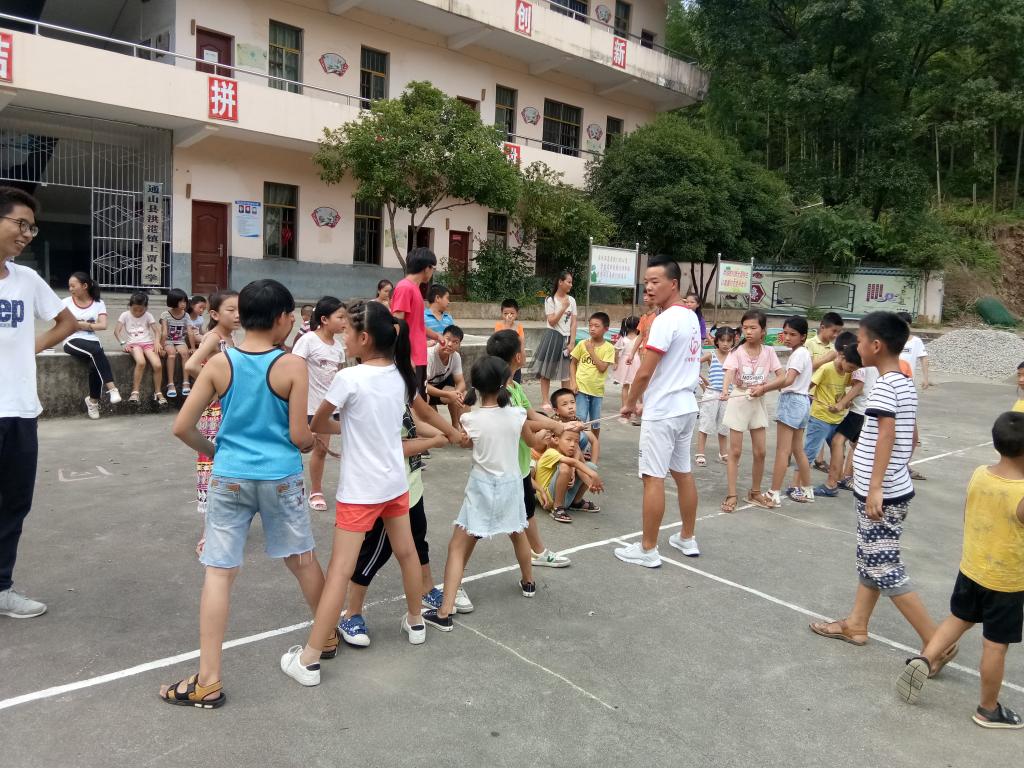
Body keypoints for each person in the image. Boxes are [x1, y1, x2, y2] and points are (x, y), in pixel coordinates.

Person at [161, 279, 324, 707]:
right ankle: (325, 637)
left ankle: (208, 680)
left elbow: (182, 427)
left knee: (219, 572)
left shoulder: (219, 363)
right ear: (280, 319)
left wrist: (218, 452)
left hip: (230, 476)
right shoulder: (292, 365)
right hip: (281, 477)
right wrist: (312, 443)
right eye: (291, 316)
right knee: (302, 558)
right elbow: (298, 435)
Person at [280, 301, 430, 687]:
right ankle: (416, 622)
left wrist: (345, 426)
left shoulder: (349, 378)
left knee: (340, 572)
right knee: (407, 553)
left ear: (364, 338)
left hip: (361, 490)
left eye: (347, 331)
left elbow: (318, 422)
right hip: (394, 483)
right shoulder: (401, 376)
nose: (343, 336)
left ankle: (309, 659)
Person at [809, 312, 954, 668]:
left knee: (884, 566)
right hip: (889, 488)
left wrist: (875, 488)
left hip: (883, 493)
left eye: (859, 340)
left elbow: (885, 435)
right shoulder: (901, 380)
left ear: (875, 346)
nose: (855, 346)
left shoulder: (888, 385)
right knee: (870, 558)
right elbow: (904, 433)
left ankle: (937, 644)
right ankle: (856, 625)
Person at [895, 411, 1024, 729]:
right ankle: (988, 708)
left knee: (959, 618)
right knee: (995, 644)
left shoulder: (980, 473)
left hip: (971, 568)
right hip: (1006, 581)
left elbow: (970, 514)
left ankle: (926, 658)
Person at [0, 186, 78, 619]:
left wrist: (30, 347)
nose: (27, 234)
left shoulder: (26, 280)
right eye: (20, 224)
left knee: (13, 504)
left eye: (32, 228)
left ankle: (1, 587)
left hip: (19, 410)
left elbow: (66, 321)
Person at [421, 356, 542, 632]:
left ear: (475, 385)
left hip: (482, 487)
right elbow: (533, 441)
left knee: (457, 546)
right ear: (505, 383)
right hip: (511, 483)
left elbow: (465, 443)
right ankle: (528, 582)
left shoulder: (470, 419)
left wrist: (464, 416)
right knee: (518, 531)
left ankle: (444, 611)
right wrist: (554, 430)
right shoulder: (517, 414)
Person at [337, 407, 454, 647]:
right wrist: (435, 441)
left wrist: (443, 433)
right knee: (373, 554)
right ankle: (352, 613)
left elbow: (414, 423)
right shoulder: (379, 399)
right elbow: (395, 447)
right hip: (388, 495)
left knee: (418, 544)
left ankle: (425, 592)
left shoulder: (400, 394)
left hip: (411, 487)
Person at [617, 258, 703, 566]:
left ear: (673, 284)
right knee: (682, 473)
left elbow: (644, 373)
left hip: (664, 411)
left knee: (653, 477)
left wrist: (629, 404)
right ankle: (687, 538)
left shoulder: (665, 320)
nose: (649, 287)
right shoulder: (691, 317)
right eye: (647, 282)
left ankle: (648, 549)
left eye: (656, 281)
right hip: (685, 407)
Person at [486, 329, 575, 568]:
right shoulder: (499, 394)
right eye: (522, 349)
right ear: (517, 357)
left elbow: (531, 414)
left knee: (527, 512)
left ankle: (538, 552)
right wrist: (553, 426)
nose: (526, 352)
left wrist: (559, 424)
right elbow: (522, 425)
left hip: (521, 466)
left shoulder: (515, 386)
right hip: (505, 469)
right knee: (479, 528)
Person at [184, 290, 239, 532]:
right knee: (211, 461)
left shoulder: (231, 337)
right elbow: (191, 364)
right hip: (215, 411)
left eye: (240, 310)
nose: (237, 315)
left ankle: (226, 520)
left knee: (226, 461)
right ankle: (208, 531)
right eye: (231, 310)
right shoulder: (214, 337)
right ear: (215, 314)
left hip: (228, 409)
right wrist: (216, 388)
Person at [719, 310, 783, 512]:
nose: (748, 331)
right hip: (739, 399)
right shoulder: (736, 352)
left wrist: (764, 388)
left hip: (758, 401)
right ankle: (732, 495)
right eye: (745, 327)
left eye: (753, 327)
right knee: (735, 451)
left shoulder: (769, 352)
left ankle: (755, 492)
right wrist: (725, 390)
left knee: (761, 452)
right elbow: (729, 372)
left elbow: (782, 376)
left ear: (763, 330)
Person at [750, 316, 813, 507]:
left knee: (782, 451)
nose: (787, 337)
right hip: (802, 401)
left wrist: (764, 388)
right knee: (797, 449)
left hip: (792, 401)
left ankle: (774, 493)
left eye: (792, 334)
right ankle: (807, 490)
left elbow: (788, 379)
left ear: (803, 337)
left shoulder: (798, 354)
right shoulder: (803, 353)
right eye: (785, 333)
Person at [291, 296, 346, 513]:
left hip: (326, 410)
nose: (344, 322)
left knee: (320, 450)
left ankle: (315, 490)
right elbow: (293, 370)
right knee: (295, 449)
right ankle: (290, 487)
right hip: (304, 406)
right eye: (340, 317)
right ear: (324, 319)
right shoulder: (308, 341)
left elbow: (339, 378)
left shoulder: (339, 347)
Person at [799, 344, 860, 501]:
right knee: (809, 452)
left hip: (837, 419)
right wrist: (805, 394)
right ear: (842, 357)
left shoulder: (848, 373)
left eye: (854, 369)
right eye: (850, 367)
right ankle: (797, 485)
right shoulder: (826, 368)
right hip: (820, 417)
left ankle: (834, 482)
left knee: (838, 451)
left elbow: (850, 389)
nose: (851, 371)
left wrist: (845, 401)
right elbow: (808, 385)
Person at [816, 353, 878, 497]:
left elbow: (859, 387)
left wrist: (842, 403)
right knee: (857, 445)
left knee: (837, 441)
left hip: (859, 411)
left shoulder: (859, 359)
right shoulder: (875, 359)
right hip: (869, 410)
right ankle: (849, 479)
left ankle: (831, 484)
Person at [61, 271, 121, 419]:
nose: (70, 289)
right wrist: (83, 325)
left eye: (73, 286)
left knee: (95, 364)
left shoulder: (99, 303)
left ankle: (93, 401)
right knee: (97, 352)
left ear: (85, 286)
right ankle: (112, 388)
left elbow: (103, 325)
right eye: (69, 286)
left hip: (92, 341)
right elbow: (62, 324)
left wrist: (83, 325)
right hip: (71, 339)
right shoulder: (65, 302)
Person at [390, 247, 436, 397]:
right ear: (427, 268)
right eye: (433, 268)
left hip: (419, 355)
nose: (432, 272)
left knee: (420, 399)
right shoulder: (405, 288)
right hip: (411, 357)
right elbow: (397, 324)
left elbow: (416, 325)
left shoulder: (414, 288)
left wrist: (437, 336)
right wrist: (406, 357)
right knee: (413, 403)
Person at [535, 426, 604, 524]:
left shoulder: (570, 452)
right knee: (565, 467)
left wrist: (590, 484)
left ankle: (576, 502)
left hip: (566, 498)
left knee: (590, 466)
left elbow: (581, 464)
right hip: (548, 500)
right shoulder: (550, 452)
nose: (572, 444)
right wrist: (593, 475)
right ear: (556, 440)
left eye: (576, 441)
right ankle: (557, 508)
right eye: (568, 440)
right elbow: (574, 463)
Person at [531, 270, 577, 412]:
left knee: (566, 373)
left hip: (566, 338)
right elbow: (551, 321)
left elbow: (574, 322)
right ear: (560, 282)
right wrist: (563, 308)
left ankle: (566, 401)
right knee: (546, 370)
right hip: (553, 336)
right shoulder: (550, 300)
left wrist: (572, 342)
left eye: (571, 282)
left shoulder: (572, 300)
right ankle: (545, 400)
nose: (571, 284)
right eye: (568, 282)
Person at [569, 312, 615, 438]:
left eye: (596, 326)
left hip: (597, 390)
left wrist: (591, 351)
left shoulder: (609, 348)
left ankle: (594, 444)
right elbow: (573, 363)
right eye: (590, 325)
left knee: (595, 421)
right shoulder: (582, 343)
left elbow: (602, 368)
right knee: (580, 419)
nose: (592, 329)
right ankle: (577, 444)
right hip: (581, 388)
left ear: (606, 329)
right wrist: (573, 382)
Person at [114, 291, 165, 406]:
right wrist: (123, 344)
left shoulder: (148, 315)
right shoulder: (125, 315)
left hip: (148, 344)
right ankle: (135, 392)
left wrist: (157, 342)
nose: (137, 312)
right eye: (134, 309)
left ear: (146, 308)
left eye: (141, 310)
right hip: (134, 344)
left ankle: (158, 392)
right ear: (130, 306)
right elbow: (117, 331)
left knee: (157, 365)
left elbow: (157, 331)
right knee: (141, 362)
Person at [695, 326, 736, 467]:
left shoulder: (734, 356)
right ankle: (700, 453)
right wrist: (702, 381)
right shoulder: (710, 355)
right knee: (705, 424)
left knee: (724, 426)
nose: (725, 344)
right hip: (711, 394)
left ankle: (723, 453)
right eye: (722, 340)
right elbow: (693, 365)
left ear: (733, 342)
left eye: (729, 341)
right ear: (716, 341)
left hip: (728, 395)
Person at [426, 324, 467, 425]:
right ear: (441, 338)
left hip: (442, 389)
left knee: (463, 396)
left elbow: (461, 382)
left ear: (459, 345)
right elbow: (424, 386)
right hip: (425, 391)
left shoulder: (456, 356)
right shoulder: (429, 355)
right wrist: (449, 395)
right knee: (437, 427)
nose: (450, 344)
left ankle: (458, 427)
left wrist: (456, 394)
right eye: (447, 339)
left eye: (455, 342)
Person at [160, 288, 192, 398]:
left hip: (180, 340)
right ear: (173, 302)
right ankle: (170, 384)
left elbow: (190, 332)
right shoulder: (165, 314)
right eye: (180, 301)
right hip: (168, 340)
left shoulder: (186, 315)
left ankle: (186, 382)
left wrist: (192, 347)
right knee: (171, 354)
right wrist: (161, 346)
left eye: (185, 301)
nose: (183, 304)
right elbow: (164, 332)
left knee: (185, 354)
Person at [612, 315, 640, 409]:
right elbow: (641, 353)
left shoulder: (623, 339)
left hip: (624, 362)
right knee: (636, 386)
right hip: (636, 362)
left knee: (625, 386)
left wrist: (616, 362)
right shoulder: (639, 339)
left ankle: (624, 407)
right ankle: (636, 406)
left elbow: (616, 350)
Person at [495, 299, 525, 384]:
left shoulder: (519, 327)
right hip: (503, 362)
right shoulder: (498, 326)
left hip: (515, 362)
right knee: (504, 385)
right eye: (505, 313)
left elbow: (522, 343)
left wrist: (522, 359)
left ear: (516, 314)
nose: (509, 315)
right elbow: (501, 341)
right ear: (501, 313)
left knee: (515, 384)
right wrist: (508, 325)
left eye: (512, 313)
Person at [897, 311, 930, 388]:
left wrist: (926, 379)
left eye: (906, 324)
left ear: (909, 325)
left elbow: (924, 359)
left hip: (908, 381)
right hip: (890, 380)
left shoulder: (916, 341)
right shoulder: (889, 340)